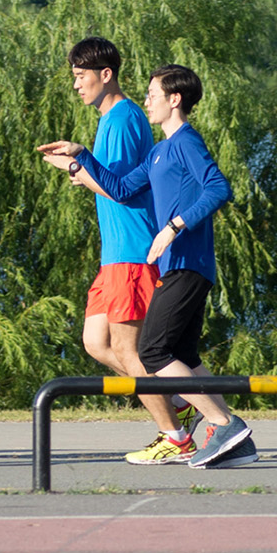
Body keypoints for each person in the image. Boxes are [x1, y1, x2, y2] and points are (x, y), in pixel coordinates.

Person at [40, 63, 258, 469]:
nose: (147, 101)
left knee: (154, 351)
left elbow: (218, 187)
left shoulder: (186, 142)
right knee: (183, 355)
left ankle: (222, 422)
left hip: (188, 263)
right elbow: (120, 188)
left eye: (153, 94)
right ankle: (232, 438)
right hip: (176, 266)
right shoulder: (159, 152)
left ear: (175, 100)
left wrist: (174, 226)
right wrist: (80, 155)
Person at [51, 37, 200, 464]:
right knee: (96, 342)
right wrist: (82, 171)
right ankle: (177, 402)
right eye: (74, 77)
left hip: (131, 250)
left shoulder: (121, 118)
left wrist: (77, 167)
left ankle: (173, 435)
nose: (76, 85)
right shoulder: (111, 119)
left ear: (105, 74)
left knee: (130, 349)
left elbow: (119, 191)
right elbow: (118, 182)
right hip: (113, 252)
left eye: (81, 77)